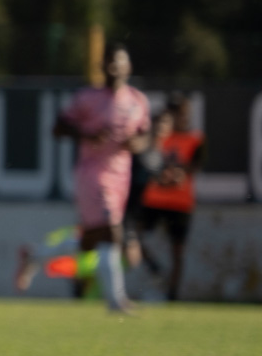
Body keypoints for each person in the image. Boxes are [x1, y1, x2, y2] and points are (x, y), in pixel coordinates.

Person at [43, 46, 151, 312]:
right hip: (92, 174)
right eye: (109, 63)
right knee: (112, 233)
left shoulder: (137, 101)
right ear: (102, 67)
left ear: (129, 67)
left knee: (92, 240)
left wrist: (135, 143)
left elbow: (144, 137)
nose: (114, 68)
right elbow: (58, 127)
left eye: (119, 62)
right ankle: (116, 300)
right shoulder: (86, 98)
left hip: (120, 177)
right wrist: (86, 134)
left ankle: (35, 256)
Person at [134, 95, 203, 301]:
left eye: (183, 113)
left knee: (177, 251)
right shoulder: (157, 135)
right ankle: (153, 268)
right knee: (133, 236)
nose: (180, 118)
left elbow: (194, 166)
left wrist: (177, 174)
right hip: (153, 199)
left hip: (180, 203)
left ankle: (172, 295)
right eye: (176, 113)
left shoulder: (195, 139)